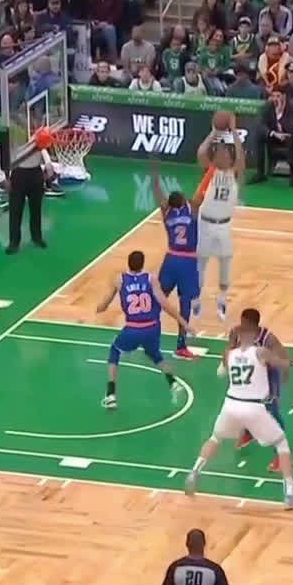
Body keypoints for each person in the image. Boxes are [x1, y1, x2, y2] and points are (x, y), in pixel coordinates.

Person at [185, 318, 293, 509]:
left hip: (231, 405)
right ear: (254, 335)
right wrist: (288, 362)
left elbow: (221, 372)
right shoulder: (261, 352)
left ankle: (194, 471)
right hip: (253, 407)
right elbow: (282, 364)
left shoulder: (228, 354)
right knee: (281, 443)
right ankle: (290, 494)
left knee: (215, 438)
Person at [95, 250, 189, 409]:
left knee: (115, 350)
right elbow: (165, 304)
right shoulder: (151, 279)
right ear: (142, 264)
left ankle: (111, 394)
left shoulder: (120, 280)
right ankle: (173, 382)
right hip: (152, 327)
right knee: (155, 354)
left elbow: (104, 305)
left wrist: (100, 307)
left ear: (128, 263)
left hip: (133, 328)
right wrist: (183, 323)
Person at [224, 309, 292, 471]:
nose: (241, 325)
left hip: (268, 378)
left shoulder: (268, 338)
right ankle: (249, 432)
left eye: (245, 323)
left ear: (254, 325)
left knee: (272, 414)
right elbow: (230, 350)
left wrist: (285, 375)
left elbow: (284, 357)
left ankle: (282, 455)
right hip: (248, 377)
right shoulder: (235, 332)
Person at [151, 162, 201, 359]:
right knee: (185, 304)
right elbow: (201, 191)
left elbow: (157, 191)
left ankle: (144, 334)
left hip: (171, 260)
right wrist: (210, 170)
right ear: (183, 201)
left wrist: (154, 174)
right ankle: (181, 346)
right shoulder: (192, 209)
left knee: (159, 298)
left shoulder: (166, 212)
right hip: (187, 262)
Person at [193, 126, 243, 323]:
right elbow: (201, 153)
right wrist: (213, 132)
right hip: (205, 223)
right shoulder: (211, 172)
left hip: (224, 226)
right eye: (220, 154)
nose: (223, 157)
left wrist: (235, 133)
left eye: (226, 154)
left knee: (224, 263)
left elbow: (240, 157)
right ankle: (196, 299)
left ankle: (222, 300)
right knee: (200, 264)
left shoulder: (234, 173)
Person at [4, 131, 50, 255]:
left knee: (36, 209)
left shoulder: (37, 131)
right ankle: (14, 242)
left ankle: (37, 237)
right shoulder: (12, 132)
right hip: (18, 173)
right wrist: (6, 176)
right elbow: (5, 153)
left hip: (35, 173)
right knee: (15, 210)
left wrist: (48, 162)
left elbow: (43, 147)